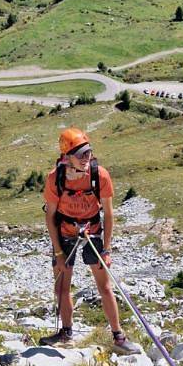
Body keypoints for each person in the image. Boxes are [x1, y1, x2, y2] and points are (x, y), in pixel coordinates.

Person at [40, 127, 138, 353]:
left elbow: (109, 213)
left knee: (104, 286)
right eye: (81, 154)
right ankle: (66, 333)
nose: (87, 158)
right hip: (65, 232)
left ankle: (118, 337)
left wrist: (107, 249)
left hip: (92, 231)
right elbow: (50, 216)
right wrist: (57, 252)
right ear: (67, 157)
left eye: (89, 152)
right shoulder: (55, 179)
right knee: (62, 287)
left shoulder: (99, 175)